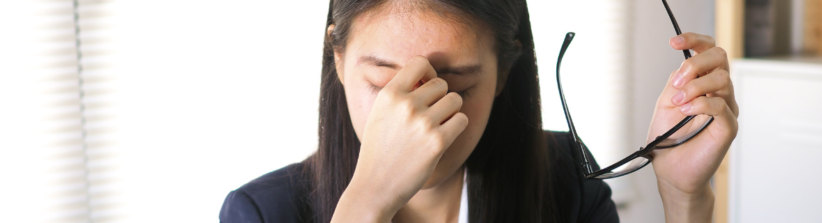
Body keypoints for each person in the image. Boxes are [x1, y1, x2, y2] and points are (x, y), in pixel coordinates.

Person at [220, 0, 738, 222]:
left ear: (504, 72)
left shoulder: (561, 180)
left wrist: (684, 195)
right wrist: (368, 202)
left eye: (457, 84)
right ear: (336, 55)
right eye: (383, 81)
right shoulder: (263, 213)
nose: (420, 120)